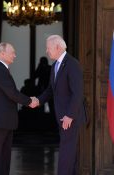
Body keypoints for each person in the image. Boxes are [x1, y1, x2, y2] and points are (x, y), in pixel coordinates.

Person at [32, 35, 86, 175]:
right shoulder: (55, 65)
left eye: (48, 48)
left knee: (66, 150)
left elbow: (78, 93)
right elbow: (51, 89)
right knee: (69, 151)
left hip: (69, 116)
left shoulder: (72, 64)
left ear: (58, 47)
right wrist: (38, 100)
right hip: (62, 115)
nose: (46, 51)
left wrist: (69, 115)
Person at [0, 42, 35, 175]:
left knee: (3, 162)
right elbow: (12, 93)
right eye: (12, 52)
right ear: (2, 53)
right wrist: (30, 101)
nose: (15, 55)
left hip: (4, 122)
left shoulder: (2, 69)